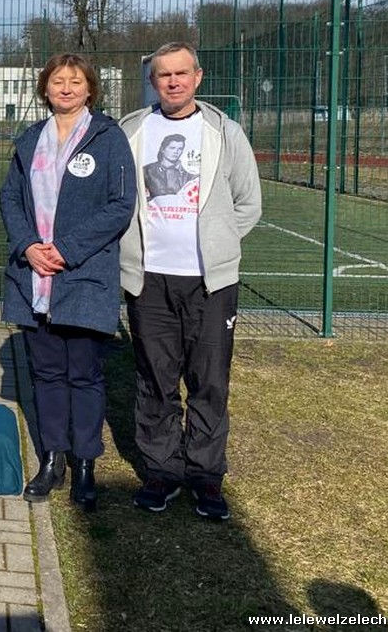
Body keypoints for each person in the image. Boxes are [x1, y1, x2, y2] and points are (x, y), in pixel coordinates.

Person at [120, 41, 262, 521]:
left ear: (198, 77)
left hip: (210, 283)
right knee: (155, 379)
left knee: (209, 381)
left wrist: (217, 244)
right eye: (164, 75)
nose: (174, 81)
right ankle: (162, 471)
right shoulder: (132, 130)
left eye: (182, 73)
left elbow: (248, 203)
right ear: (153, 81)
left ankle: (205, 476)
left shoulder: (225, 131)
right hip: (149, 280)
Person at [0, 54, 135, 510]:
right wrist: (27, 246)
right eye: (58, 80)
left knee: (84, 374)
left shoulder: (108, 138)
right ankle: (52, 459)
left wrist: (67, 249)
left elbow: (120, 205)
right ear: (45, 88)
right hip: (34, 276)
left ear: (90, 89)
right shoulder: (29, 139)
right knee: (46, 374)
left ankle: (85, 463)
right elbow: (9, 198)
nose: (66, 88)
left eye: (76, 81)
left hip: (82, 277)